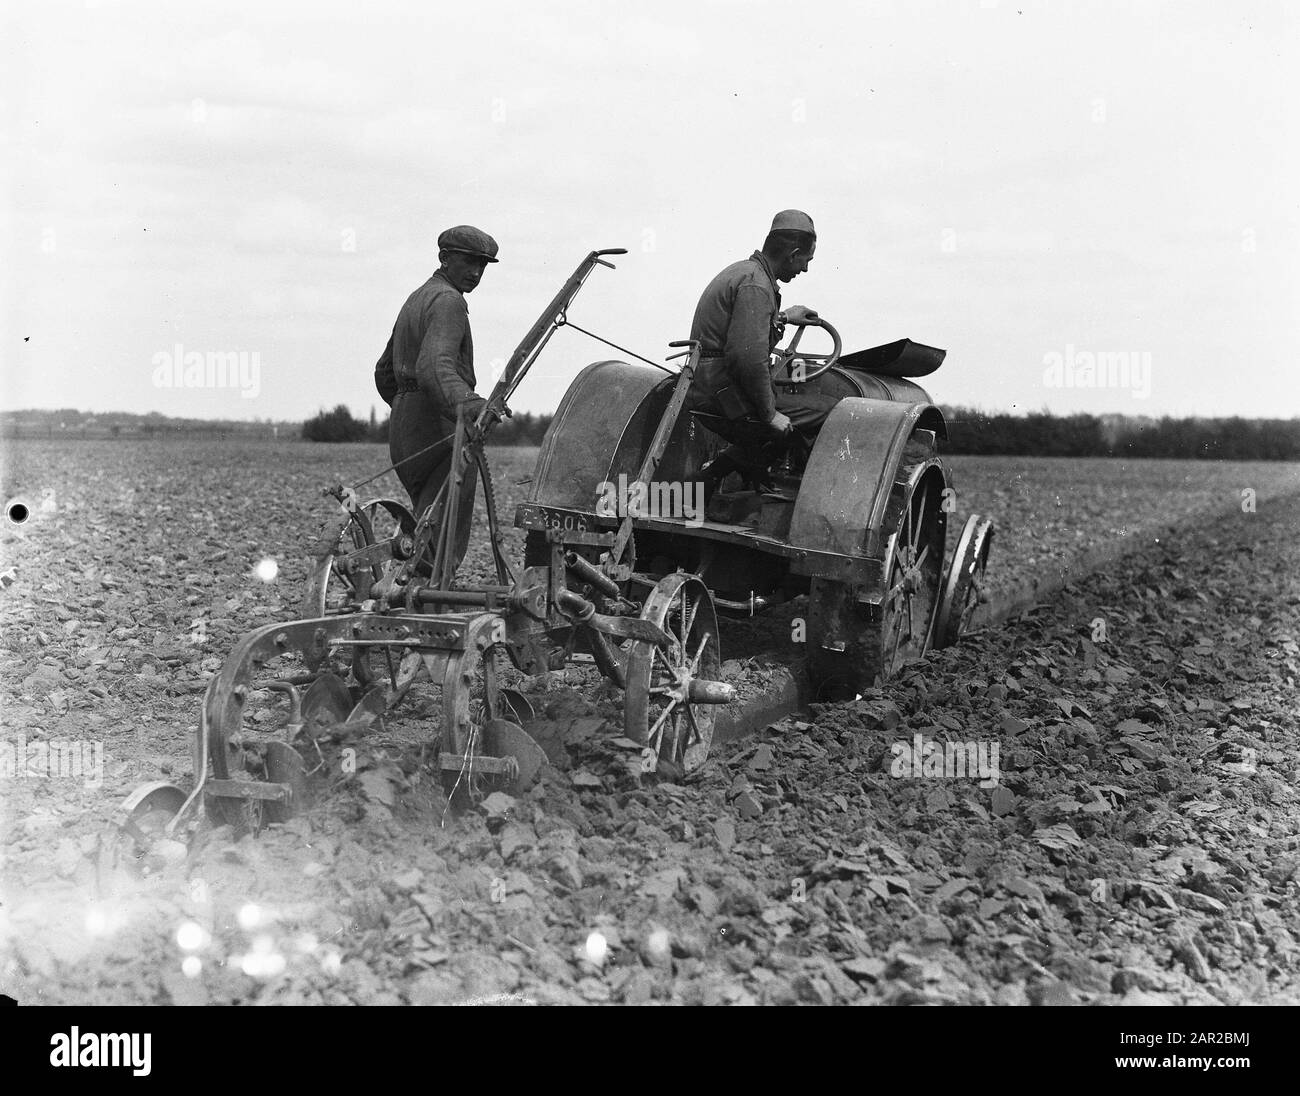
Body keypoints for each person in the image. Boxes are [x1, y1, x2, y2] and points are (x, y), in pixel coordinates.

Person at [374, 225, 498, 571]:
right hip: (439, 429)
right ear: (445, 258)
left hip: (404, 430)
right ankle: (427, 601)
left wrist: (407, 406)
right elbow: (433, 366)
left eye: (483, 266)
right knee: (440, 533)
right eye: (469, 262)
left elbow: (384, 372)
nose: (476, 272)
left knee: (425, 521)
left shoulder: (417, 298)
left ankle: (408, 588)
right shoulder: (449, 301)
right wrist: (470, 405)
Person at [687, 209, 839, 489]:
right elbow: (747, 359)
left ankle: (738, 476)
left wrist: (784, 317)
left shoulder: (745, 273)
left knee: (792, 414)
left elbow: (743, 332)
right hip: (724, 396)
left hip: (714, 387)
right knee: (830, 411)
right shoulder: (757, 285)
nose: (804, 269)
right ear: (793, 254)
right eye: (806, 261)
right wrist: (769, 415)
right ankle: (789, 488)